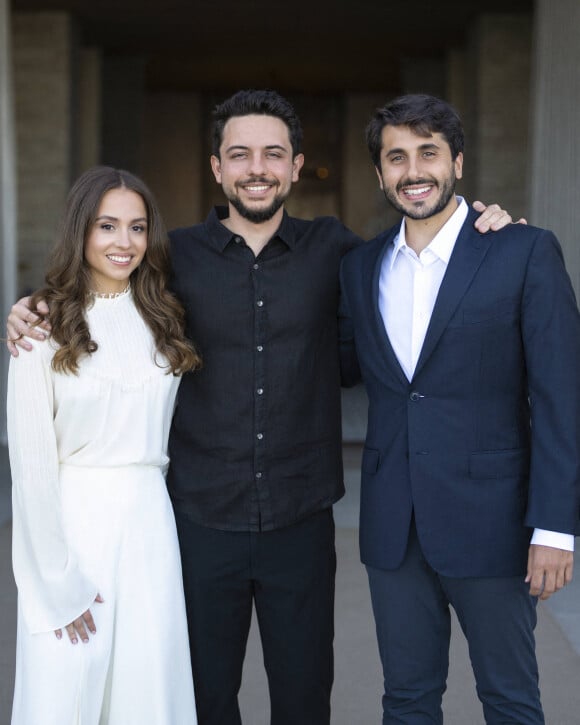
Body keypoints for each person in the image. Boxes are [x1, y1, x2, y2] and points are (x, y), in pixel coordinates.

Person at [6, 90, 515, 725]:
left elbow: (425, 260)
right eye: (240, 154)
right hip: (197, 522)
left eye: (274, 154)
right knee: (202, 697)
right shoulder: (173, 257)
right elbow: (103, 281)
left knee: (303, 700)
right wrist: (33, 306)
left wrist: (486, 224)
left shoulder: (340, 251)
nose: (257, 168)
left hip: (300, 519)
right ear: (217, 168)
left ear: (297, 167)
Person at [339, 93, 580, 724]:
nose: (413, 170)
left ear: (458, 164)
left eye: (428, 153)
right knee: (407, 701)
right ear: (380, 173)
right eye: (397, 157)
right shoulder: (361, 267)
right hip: (394, 527)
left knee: (510, 700)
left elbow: (561, 395)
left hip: (494, 525)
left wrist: (554, 527)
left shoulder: (522, 251)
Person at [6, 166, 200, 724]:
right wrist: (54, 579)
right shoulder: (42, 325)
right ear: (80, 231)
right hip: (73, 526)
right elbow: (32, 464)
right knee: (66, 690)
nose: (124, 243)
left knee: (147, 691)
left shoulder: (165, 315)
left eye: (137, 228)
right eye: (107, 226)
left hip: (148, 526)